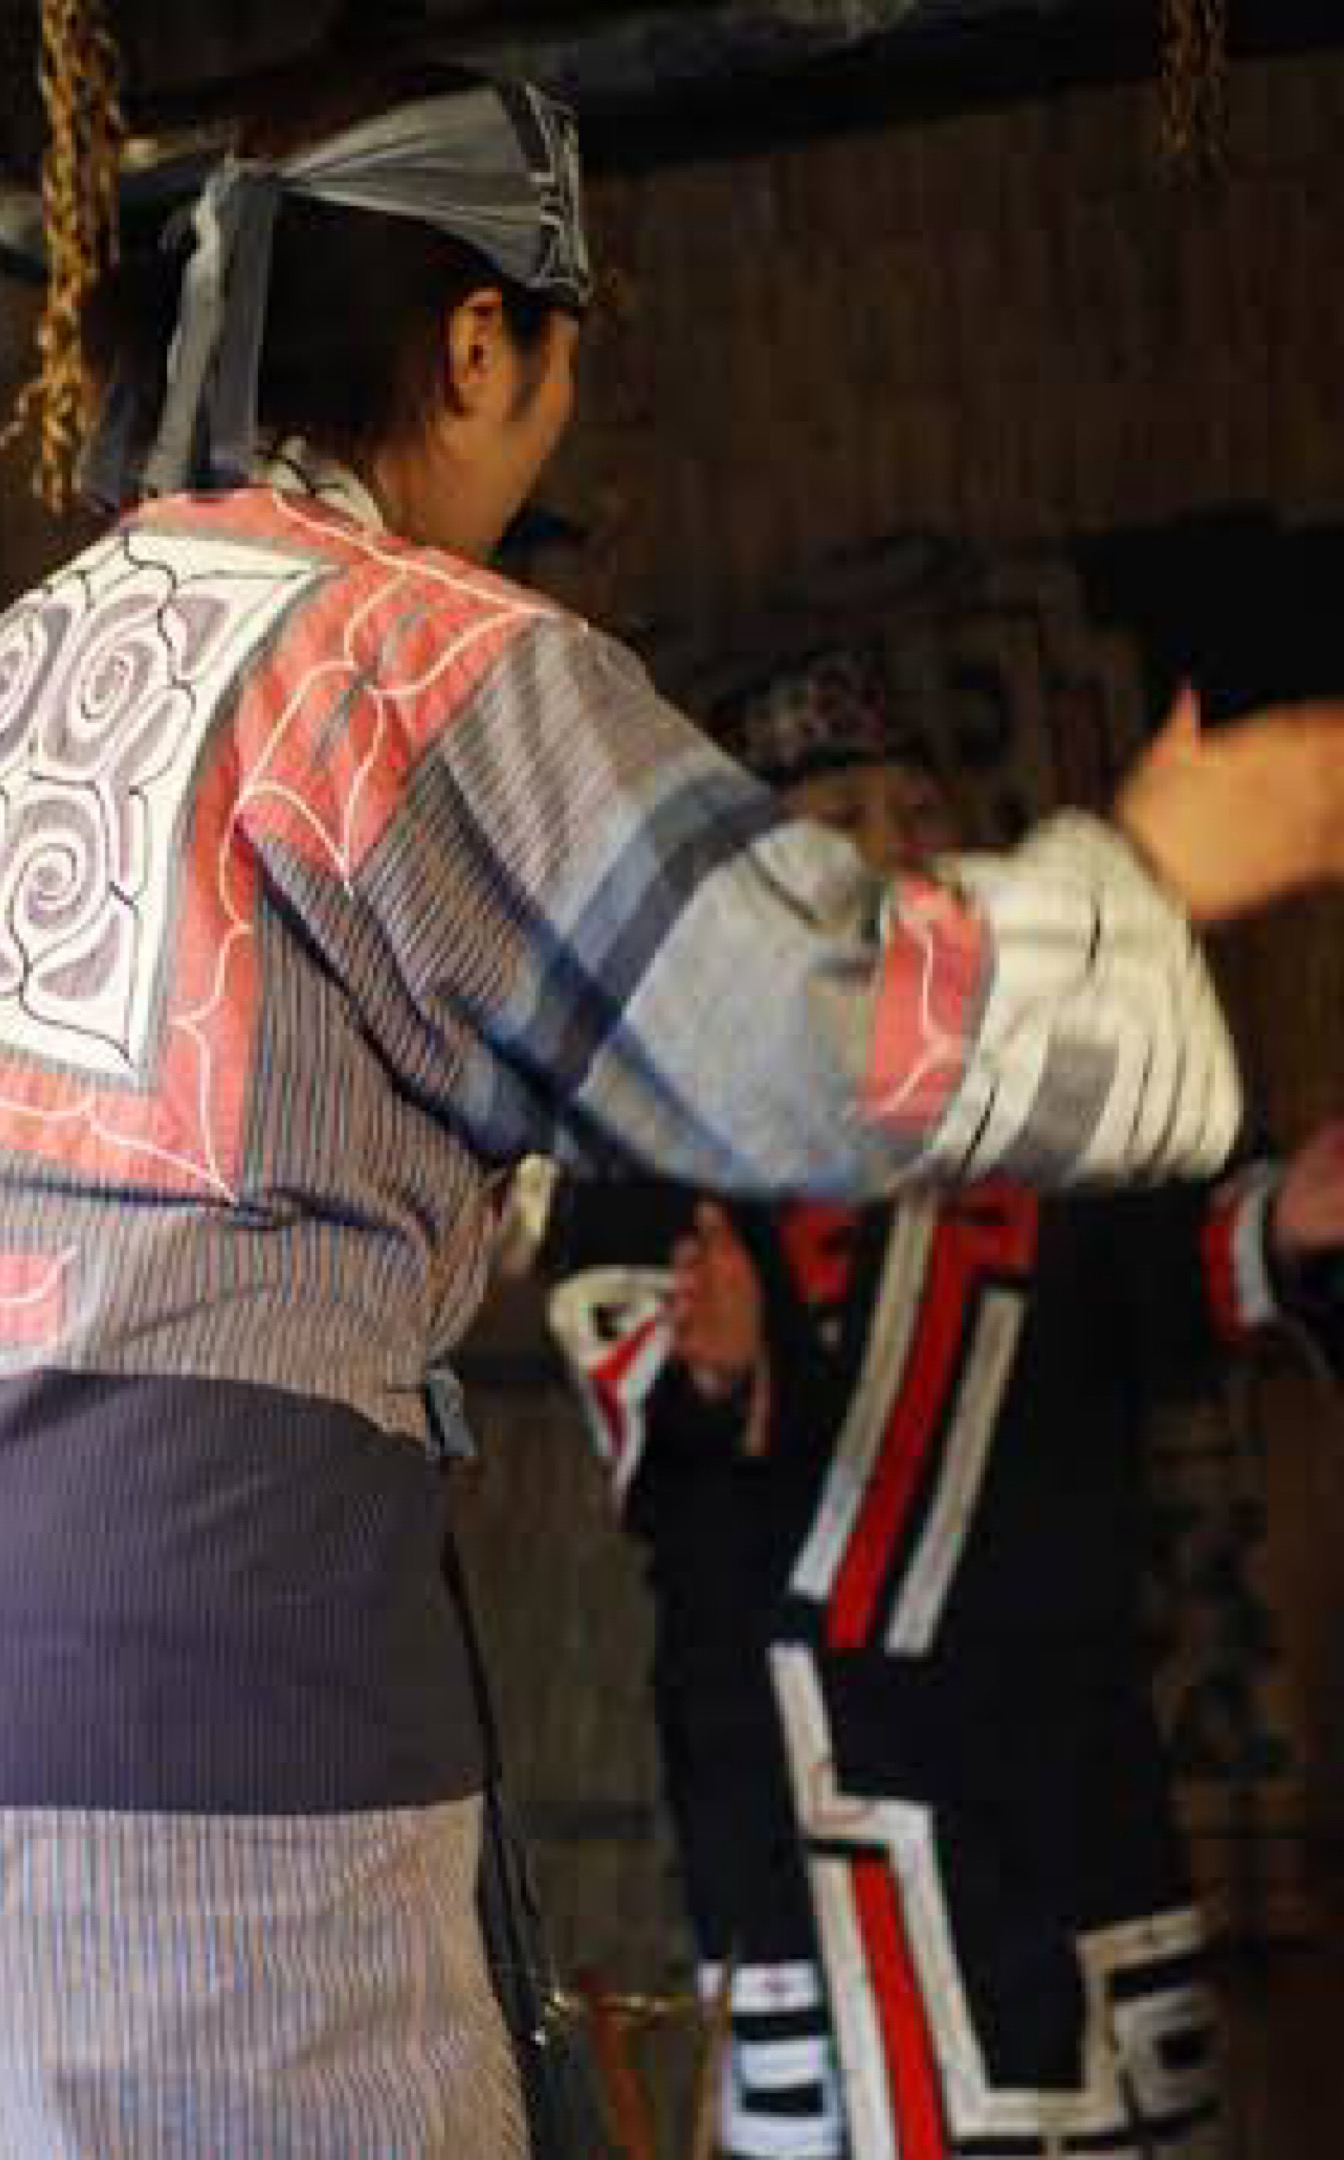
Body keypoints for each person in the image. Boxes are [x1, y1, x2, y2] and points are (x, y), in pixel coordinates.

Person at [0, 52, 1344, 2160]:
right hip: (185, 1625)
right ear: (482, 335)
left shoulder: (17, 657)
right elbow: (804, 1029)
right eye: (560, 357)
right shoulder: (410, 648)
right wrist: (1148, 874)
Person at [542, 646, 1344, 2160]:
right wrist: (719, 1362)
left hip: (1063, 1766)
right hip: (812, 1808)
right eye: (846, 816)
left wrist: (1282, 1224)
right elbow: (637, 1377)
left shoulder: (1050, 1093)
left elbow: (1160, 1274)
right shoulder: (649, 1121)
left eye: (916, 803)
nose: (900, 836)